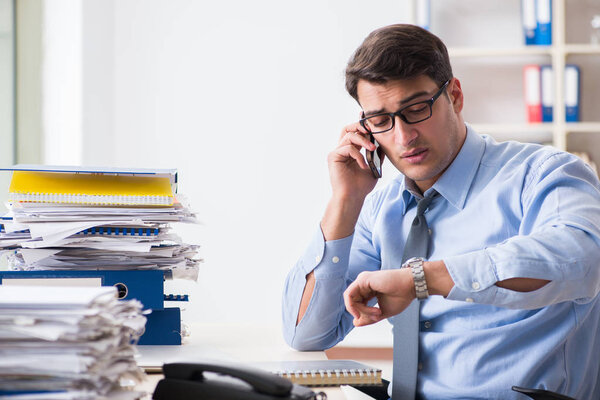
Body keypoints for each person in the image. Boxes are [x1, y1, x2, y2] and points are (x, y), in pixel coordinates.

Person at [281, 24, 600, 399]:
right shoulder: (380, 208)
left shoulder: (544, 172)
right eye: (381, 121)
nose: (403, 137)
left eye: (416, 109)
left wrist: (423, 279)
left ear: (455, 95)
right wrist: (345, 201)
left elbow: (582, 258)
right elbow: (306, 333)